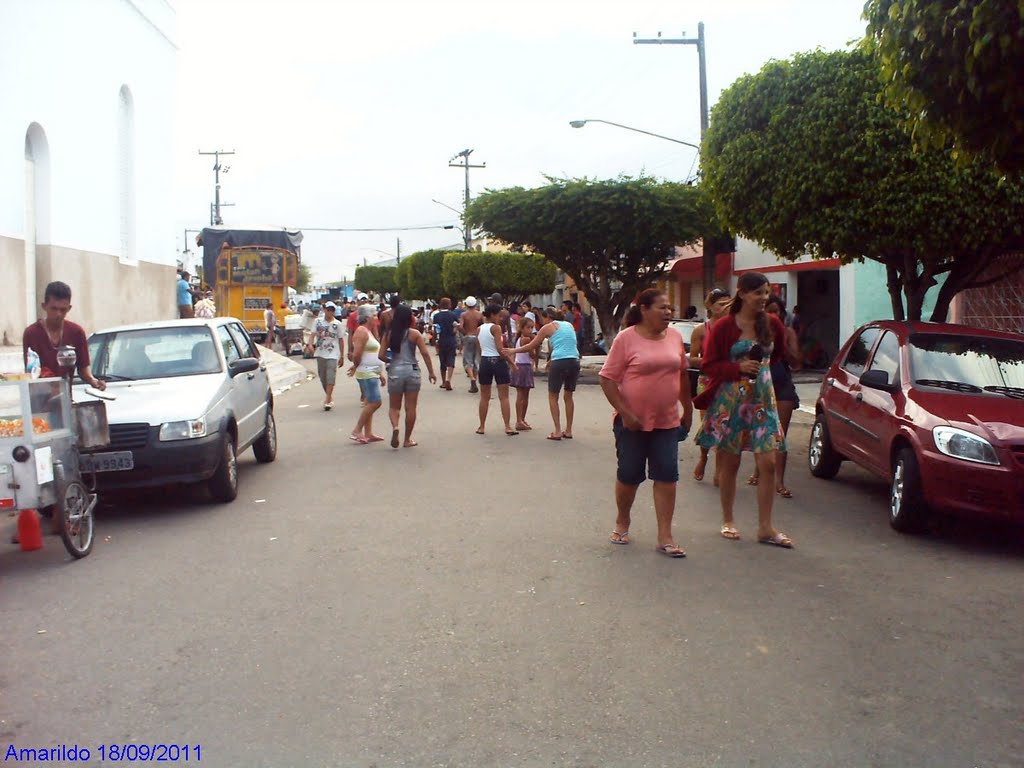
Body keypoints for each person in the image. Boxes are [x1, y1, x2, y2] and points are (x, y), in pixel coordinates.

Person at [693, 271, 793, 548]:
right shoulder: (725, 327)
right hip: (731, 400)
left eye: (766, 293)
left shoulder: (773, 323)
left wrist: (760, 376)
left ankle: (765, 527)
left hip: (762, 400)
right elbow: (709, 365)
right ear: (742, 293)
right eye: (757, 293)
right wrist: (737, 368)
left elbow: (779, 354)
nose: (763, 298)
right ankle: (728, 519)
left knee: (768, 463)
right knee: (730, 462)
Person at [599, 288, 693, 558]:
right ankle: (622, 521)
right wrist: (625, 412)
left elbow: (683, 375)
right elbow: (607, 379)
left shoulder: (674, 336)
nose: (668, 313)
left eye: (670, 308)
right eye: (662, 308)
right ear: (644, 309)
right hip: (632, 423)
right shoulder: (626, 339)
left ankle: (665, 536)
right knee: (629, 475)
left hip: (667, 421)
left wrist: (687, 408)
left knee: (667, 476)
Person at [22, 282, 106, 535]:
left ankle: (63, 514)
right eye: (53, 308)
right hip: (38, 407)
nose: (58, 314)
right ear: (44, 306)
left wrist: (93, 381)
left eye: (63, 309)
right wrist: (46, 386)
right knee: (38, 463)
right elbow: (31, 371)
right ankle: (33, 517)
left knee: (67, 460)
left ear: (69, 308)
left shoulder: (76, 332)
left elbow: (84, 369)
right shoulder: (32, 333)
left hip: (64, 406)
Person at [749, 296, 803, 497]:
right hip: (759, 385)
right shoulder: (751, 330)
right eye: (768, 311)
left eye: (777, 311)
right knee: (759, 431)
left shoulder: (787, 332)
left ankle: (779, 480)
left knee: (780, 434)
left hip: (782, 384)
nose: (773, 315)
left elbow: (798, 363)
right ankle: (759, 470)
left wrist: (782, 344)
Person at [509, 305, 581, 440]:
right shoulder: (569, 326)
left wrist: (513, 351)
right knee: (568, 396)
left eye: (543, 318)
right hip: (574, 360)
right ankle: (569, 430)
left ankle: (558, 431)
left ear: (548, 318)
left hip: (559, 362)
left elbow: (532, 345)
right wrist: (549, 361)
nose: (541, 321)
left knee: (553, 396)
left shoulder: (548, 328)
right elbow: (566, 344)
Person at [687, 288, 732, 485]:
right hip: (707, 381)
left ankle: (720, 469)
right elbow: (692, 359)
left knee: (727, 426)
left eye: (728, 303)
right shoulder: (701, 330)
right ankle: (703, 458)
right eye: (720, 304)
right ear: (710, 307)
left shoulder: (737, 328)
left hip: (730, 381)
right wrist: (712, 361)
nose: (725, 308)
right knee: (708, 424)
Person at [379, 304, 437, 448]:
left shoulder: (388, 334)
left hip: (395, 372)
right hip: (412, 371)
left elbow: (381, 355)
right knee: (411, 408)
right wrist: (431, 372)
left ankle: (395, 427)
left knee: (394, 407)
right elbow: (425, 353)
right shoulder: (414, 334)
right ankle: (407, 439)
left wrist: (391, 361)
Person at [474, 303, 518, 436]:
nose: (500, 318)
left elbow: (479, 347)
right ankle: (507, 426)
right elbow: (500, 349)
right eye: (499, 316)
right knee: (504, 397)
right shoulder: (496, 328)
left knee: (484, 397)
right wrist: (512, 363)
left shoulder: (479, 329)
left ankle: (481, 426)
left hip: (485, 361)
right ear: (493, 315)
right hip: (497, 362)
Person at [347, 304, 387, 443]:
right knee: (375, 402)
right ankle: (357, 430)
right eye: (374, 315)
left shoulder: (368, 331)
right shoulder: (361, 331)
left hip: (372, 372)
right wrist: (355, 366)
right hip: (366, 372)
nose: (376, 318)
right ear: (368, 317)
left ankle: (368, 433)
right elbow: (357, 353)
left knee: (369, 401)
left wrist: (379, 373)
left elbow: (370, 354)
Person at [305, 301, 345, 411]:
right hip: (320, 352)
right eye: (329, 309)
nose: (330, 312)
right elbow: (312, 334)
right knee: (323, 377)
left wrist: (342, 356)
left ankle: (327, 399)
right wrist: (310, 344)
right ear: (325, 310)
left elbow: (341, 340)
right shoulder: (318, 322)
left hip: (333, 353)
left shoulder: (337, 324)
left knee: (331, 375)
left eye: (333, 310)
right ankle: (329, 396)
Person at [510, 315, 536, 431]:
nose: (530, 330)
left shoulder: (519, 339)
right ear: (522, 328)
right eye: (528, 328)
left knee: (523, 395)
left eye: (531, 328)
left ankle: (521, 419)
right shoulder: (526, 340)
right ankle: (520, 420)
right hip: (524, 367)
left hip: (520, 365)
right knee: (522, 395)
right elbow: (532, 354)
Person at [432, 297, 459, 390]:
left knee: (442, 361)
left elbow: (436, 329)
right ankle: (449, 379)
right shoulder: (453, 315)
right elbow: (456, 327)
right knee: (451, 360)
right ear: (449, 305)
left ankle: (443, 382)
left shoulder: (436, 316)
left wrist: (434, 340)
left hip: (441, 340)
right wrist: (454, 331)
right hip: (451, 340)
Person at [458, 296, 483, 393]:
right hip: (477, 337)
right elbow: (482, 325)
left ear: (467, 305)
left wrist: (465, 333)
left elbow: (460, 327)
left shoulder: (464, 315)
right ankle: (474, 380)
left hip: (468, 337)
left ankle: (472, 378)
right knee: (476, 359)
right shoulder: (479, 315)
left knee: (468, 360)